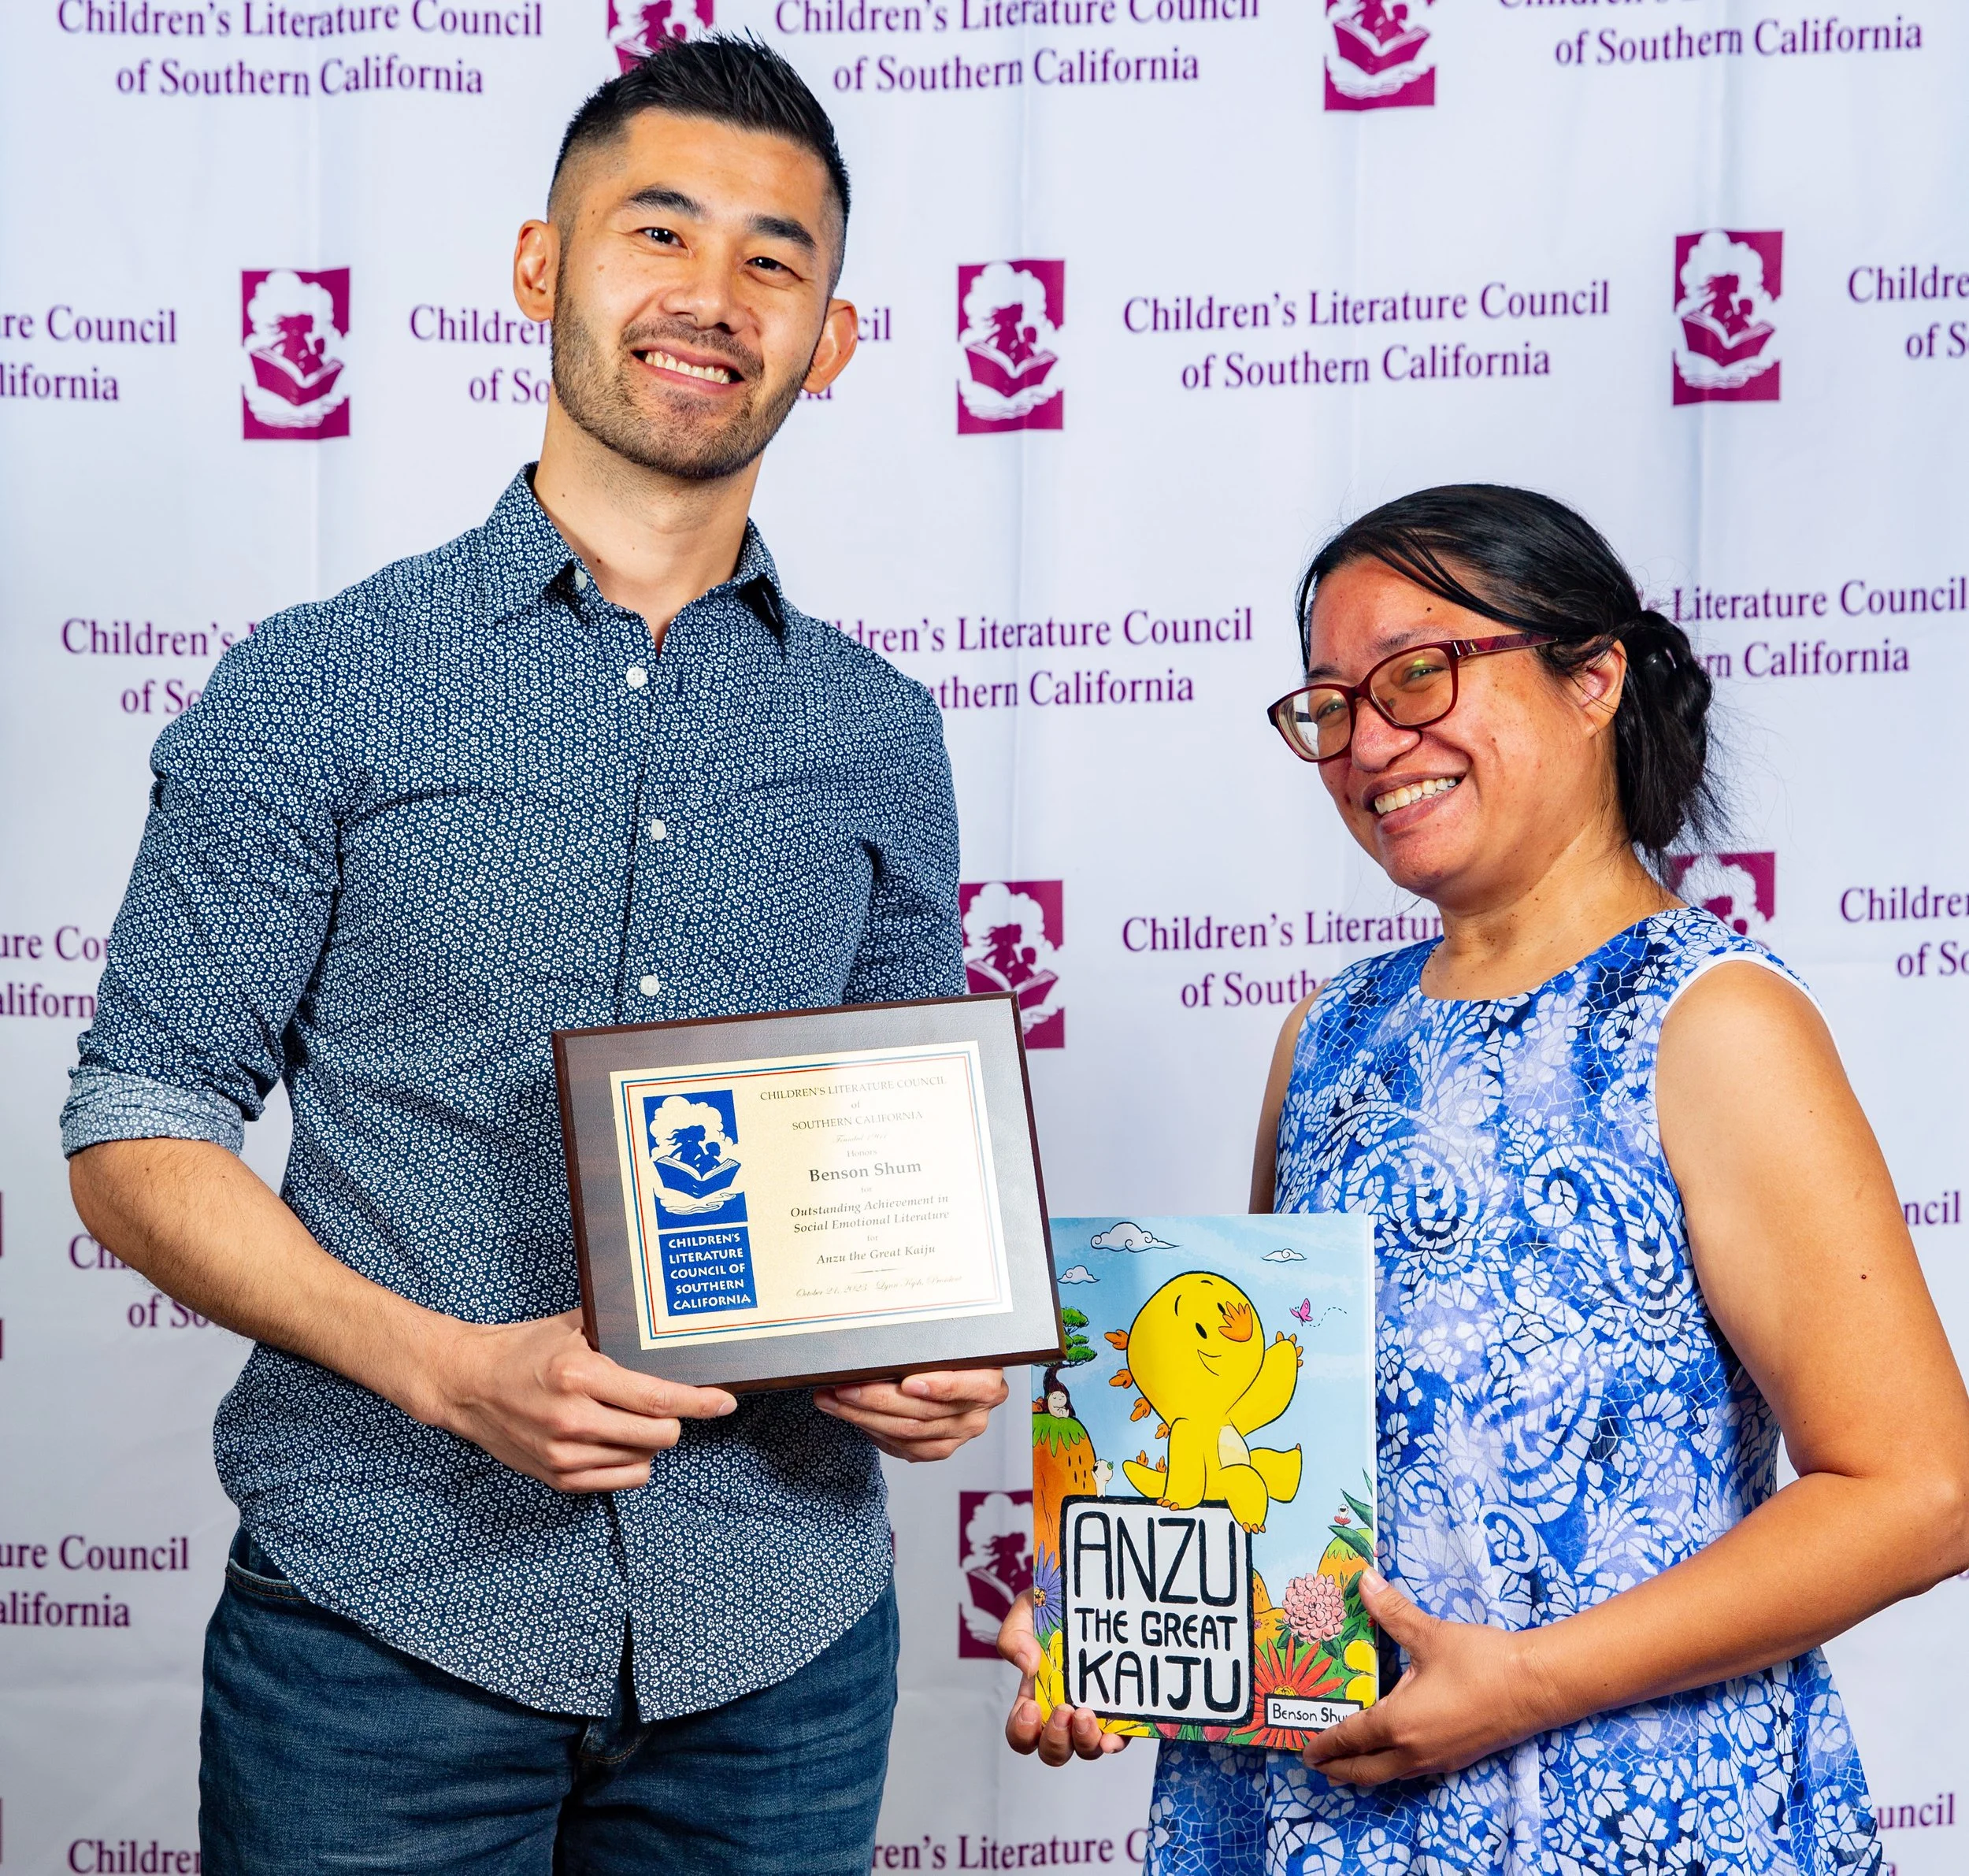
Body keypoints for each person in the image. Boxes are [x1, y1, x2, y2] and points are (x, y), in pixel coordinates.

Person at [63, 37, 1007, 1876]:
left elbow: (902, 1157)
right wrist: (438, 1369)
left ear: (832, 339)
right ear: (537, 267)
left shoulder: (883, 729)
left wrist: (927, 1352)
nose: (710, 298)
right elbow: (136, 1128)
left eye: (773, 259)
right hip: (381, 1632)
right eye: (658, 230)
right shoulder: (318, 681)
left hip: (782, 1650)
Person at [999, 484, 1969, 1874]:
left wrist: (1526, 1680)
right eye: (1331, 704)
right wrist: (1113, 1621)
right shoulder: (1326, 1033)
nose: (1371, 742)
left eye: (1418, 674)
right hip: (1307, 1807)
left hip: (1616, 1807)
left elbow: (1920, 1489)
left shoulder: (1707, 1019)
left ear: (1593, 676)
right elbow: (1271, 1459)